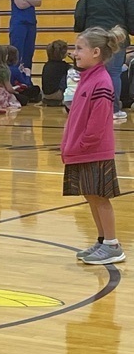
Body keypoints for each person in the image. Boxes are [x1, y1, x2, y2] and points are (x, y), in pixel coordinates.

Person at [61, 26, 126, 265]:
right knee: (90, 195)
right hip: (81, 151)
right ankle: (102, 240)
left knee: (100, 197)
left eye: (79, 48)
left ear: (96, 52)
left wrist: (78, 145)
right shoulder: (87, 79)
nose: (74, 53)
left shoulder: (101, 82)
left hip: (93, 151)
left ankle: (112, 245)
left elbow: (97, 126)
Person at [74, 0, 134, 119]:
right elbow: (131, 16)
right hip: (116, 38)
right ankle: (113, 110)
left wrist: (81, 29)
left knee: (90, 73)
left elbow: (80, 11)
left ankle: (88, 109)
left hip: (93, 38)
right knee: (114, 74)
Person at [8, 0, 41, 71]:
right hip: (19, 22)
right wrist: (31, 1)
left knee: (29, 53)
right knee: (16, 52)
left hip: (31, 22)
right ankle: (14, 79)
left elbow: (39, 1)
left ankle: (27, 79)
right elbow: (19, 4)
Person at [0, 45, 22, 111]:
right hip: (2, 95)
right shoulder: (4, 70)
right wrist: (15, 92)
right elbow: (9, 88)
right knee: (22, 98)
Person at [41, 40, 70, 106]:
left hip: (45, 95)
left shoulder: (46, 64)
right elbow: (78, 70)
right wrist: (74, 59)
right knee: (72, 75)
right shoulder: (64, 66)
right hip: (57, 94)